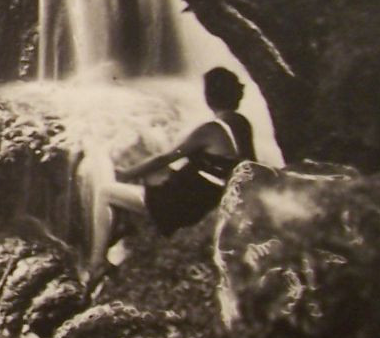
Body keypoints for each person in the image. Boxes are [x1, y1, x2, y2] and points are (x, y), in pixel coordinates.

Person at [88, 67, 256, 283]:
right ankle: (121, 226)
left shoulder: (211, 129)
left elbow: (165, 158)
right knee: (150, 174)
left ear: (209, 98)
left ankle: (96, 263)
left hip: (187, 205)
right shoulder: (242, 125)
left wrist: (126, 174)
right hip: (212, 196)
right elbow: (249, 166)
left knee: (105, 192)